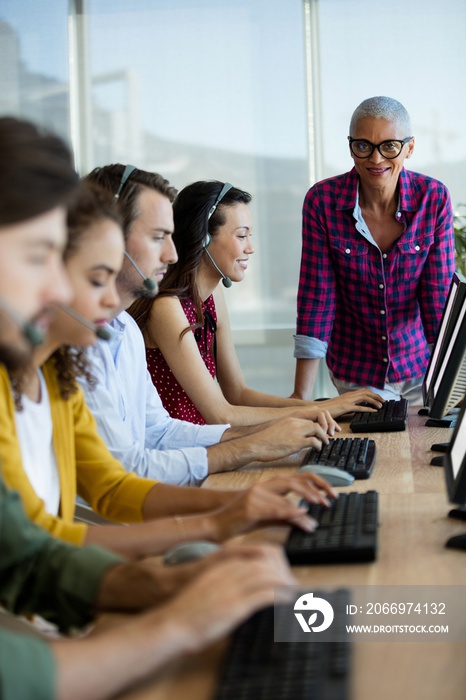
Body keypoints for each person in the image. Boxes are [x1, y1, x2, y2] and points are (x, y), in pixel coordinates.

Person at [0, 115, 300, 700]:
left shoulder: (56, 368)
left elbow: (31, 558)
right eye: (42, 259)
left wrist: (195, 553)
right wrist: (177, 620)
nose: (68, 293)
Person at [0, 181, 335, 558]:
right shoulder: (92, 347)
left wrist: (239, 493)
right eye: (97, 278)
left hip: (133, 514)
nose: (173, 255)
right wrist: (245, 460)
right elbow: (42, 550)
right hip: (115, 534)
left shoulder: (107, 339)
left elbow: (129, 464)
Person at [80, 164, 340, 487]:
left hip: (177, 471)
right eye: (157, 237)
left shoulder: (126, 331)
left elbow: (161, 432)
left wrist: (274, 433)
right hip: (148, 496)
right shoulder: (87, 342)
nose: (172, 254)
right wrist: (258, 443)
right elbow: (124, 473)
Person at [128, 180, 383, 426]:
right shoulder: (167, 308)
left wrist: (330, 405)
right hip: (180, 454)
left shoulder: (213, 295)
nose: (250, 247)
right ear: (203, 237)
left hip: (206, 444)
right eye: (241, 236)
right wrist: (321, 409)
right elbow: (222, 415)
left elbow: (237, 393)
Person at [292, 96, 456, 406]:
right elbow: (318, 298)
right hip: (355, 371)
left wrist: (451, 382)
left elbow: (437, 298)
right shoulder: (322, 202)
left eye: (389, 146)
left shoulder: (432, 199)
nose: (376, 159)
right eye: (364, 146)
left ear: (409, 147)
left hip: (420, 368)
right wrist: (302, 396)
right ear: (351, 145)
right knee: (371, 450)